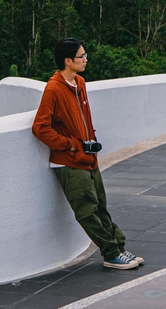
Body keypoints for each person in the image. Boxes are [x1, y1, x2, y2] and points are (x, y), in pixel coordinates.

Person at [31, 38, 144, 270]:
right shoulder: (53, 89)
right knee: (87, 211)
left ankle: (118, 247)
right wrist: (71, 145)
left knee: (101, 205)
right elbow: (40, 128)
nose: (85, 59)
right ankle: (111, 253)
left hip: (88, 158)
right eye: (81, 56)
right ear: (68, 60)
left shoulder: (80, 83)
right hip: (69, 162)